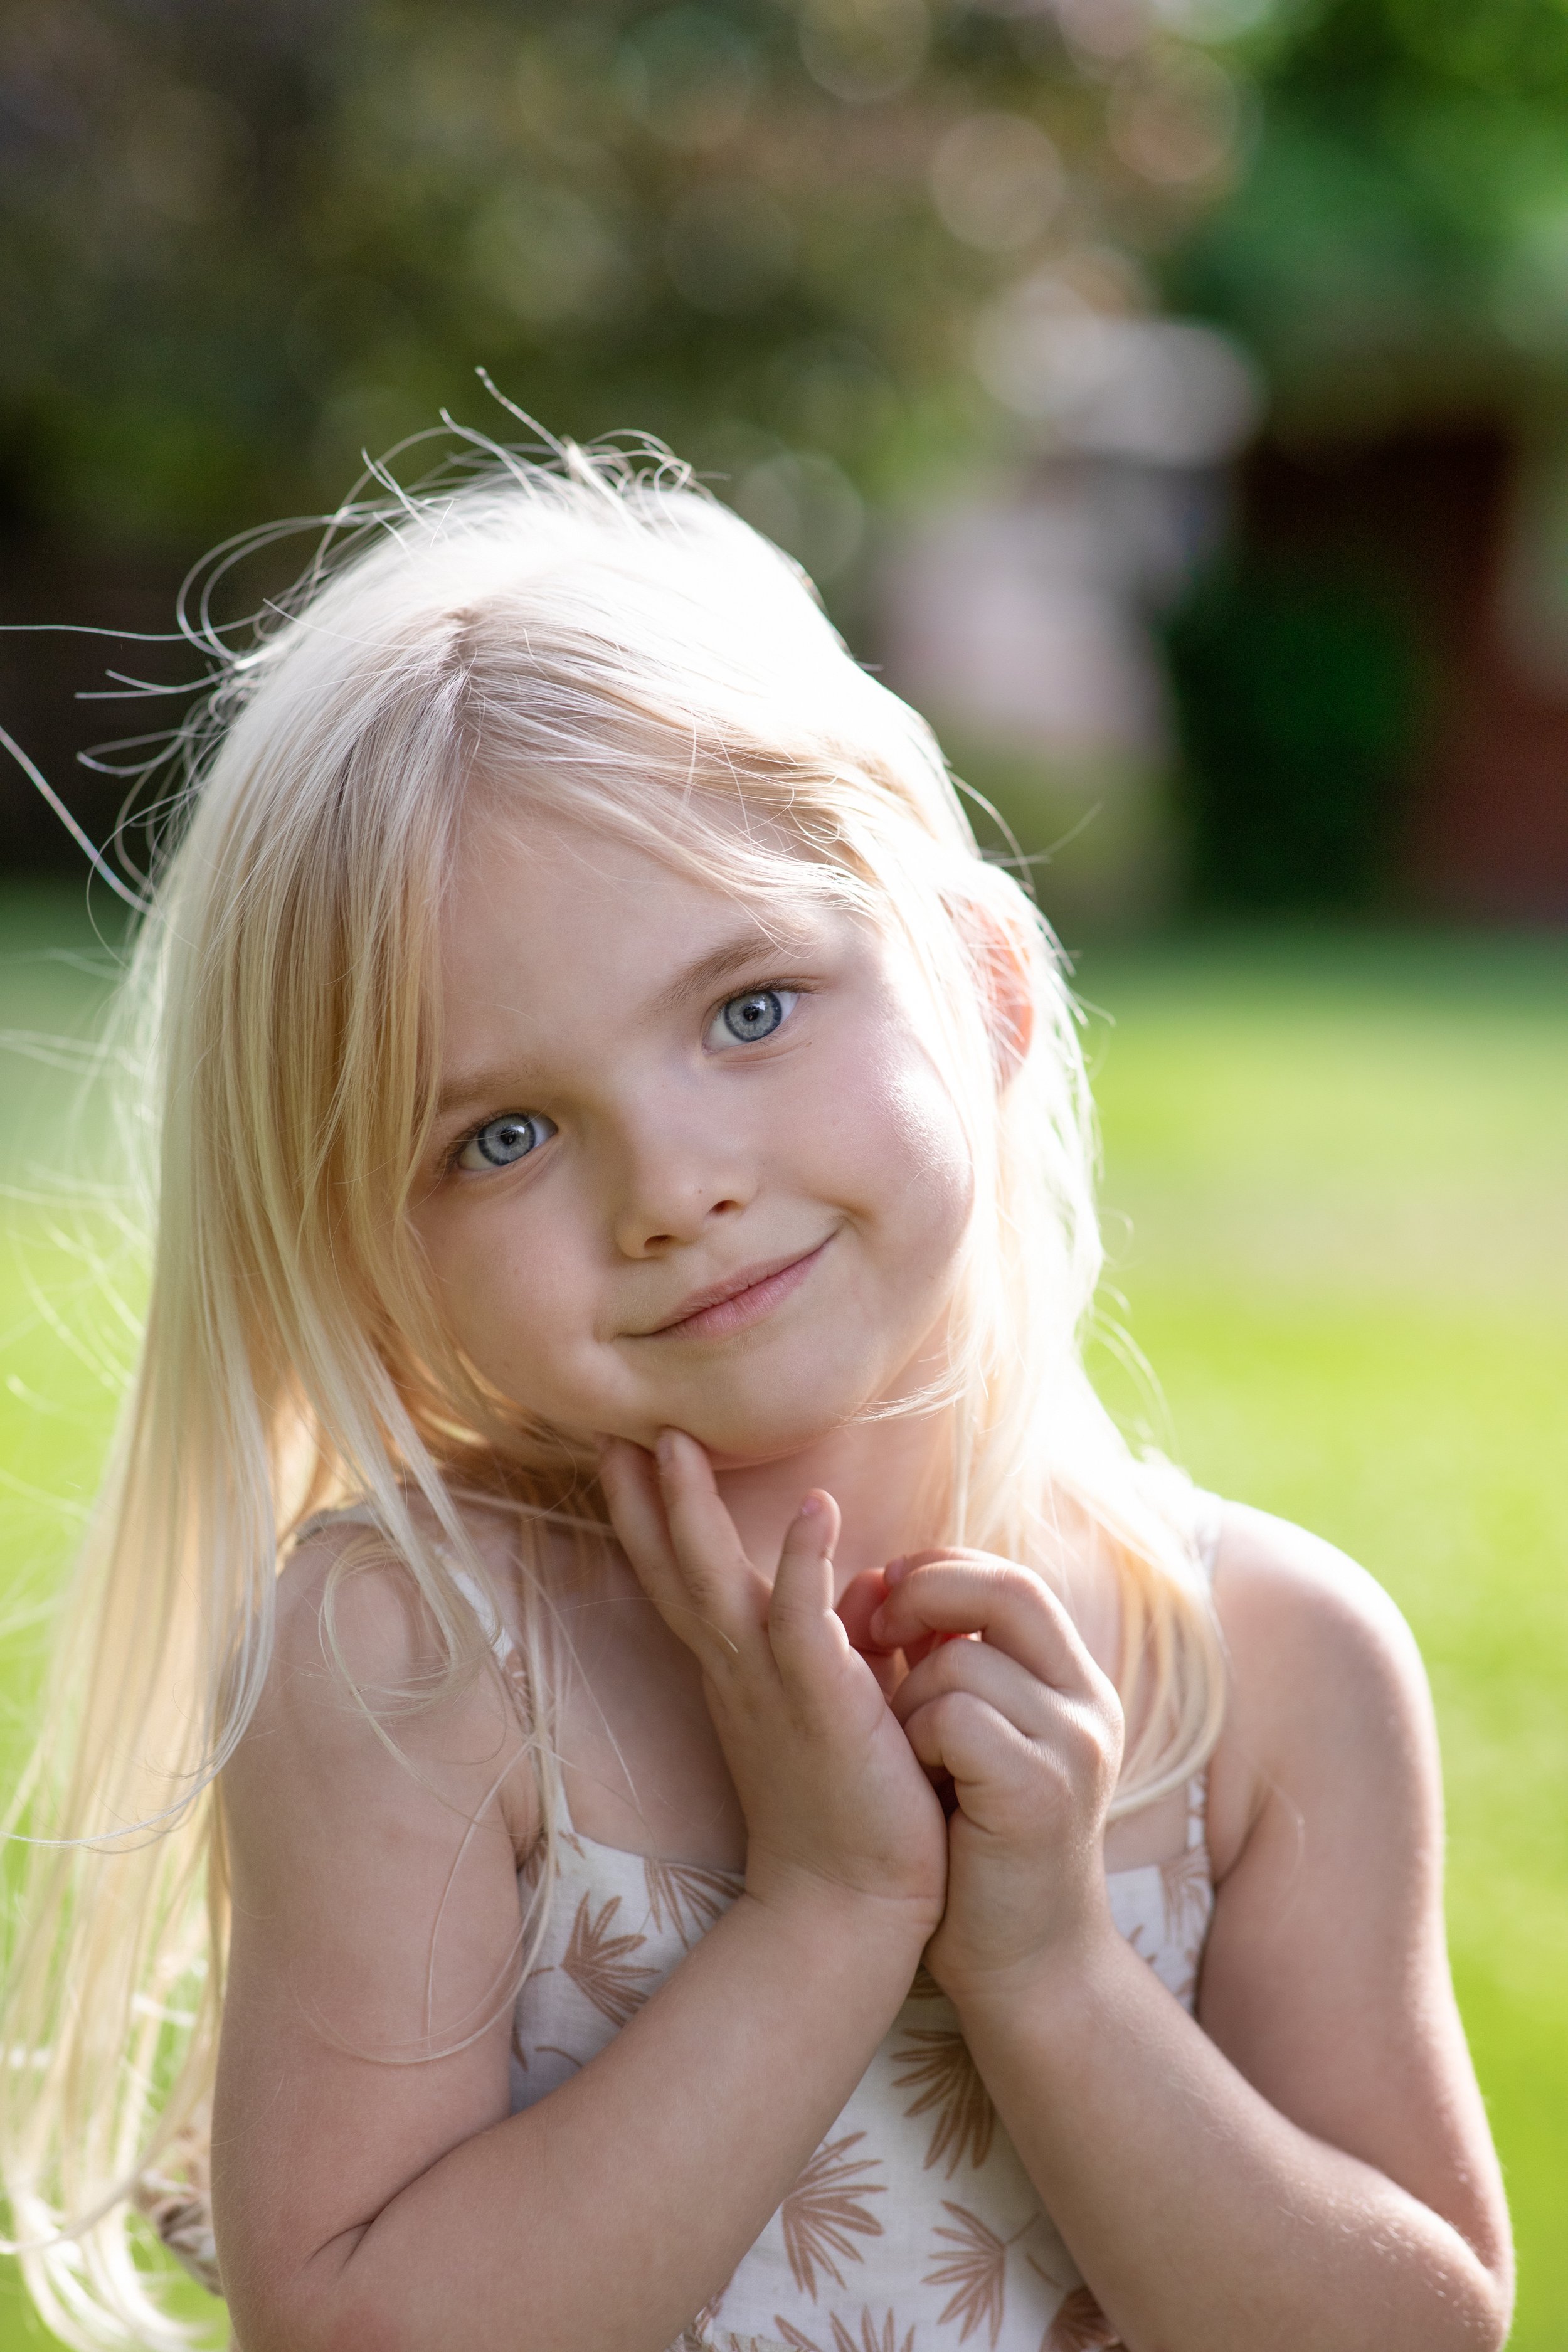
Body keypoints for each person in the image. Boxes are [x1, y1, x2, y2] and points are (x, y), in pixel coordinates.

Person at [0, 430, 1511, 2352]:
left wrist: (1046, 1973)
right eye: (506, 1133)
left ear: (980, 984)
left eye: (748, 1008)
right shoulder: (420, 1657)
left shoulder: (1264, 1667)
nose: (675, 1190)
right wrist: (823, 1913)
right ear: (366, 1247)